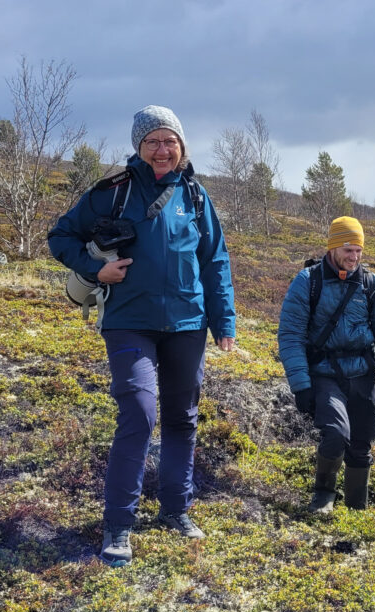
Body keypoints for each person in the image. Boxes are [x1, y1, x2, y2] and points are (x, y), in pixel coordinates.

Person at [48, 105, 236, 567]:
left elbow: (215, 260)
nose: (161, 148)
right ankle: (118, 524)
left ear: (182, 146)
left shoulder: (195, 196)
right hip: (128, 320)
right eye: (152, 140)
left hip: (188, 323)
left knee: (182, 417)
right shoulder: (113, 191)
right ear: (138, 147)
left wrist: (223, 321)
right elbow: (61, 236)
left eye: (169, 140)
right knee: (139, 412)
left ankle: (176, 509)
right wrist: (97, 269)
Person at [278, 216, 375, 513]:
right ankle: (323, 495)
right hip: (323, 375)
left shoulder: (372, 285)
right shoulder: (308, 282)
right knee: (335, 433)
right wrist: (301, 385)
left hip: (362, 374)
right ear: (333, 247)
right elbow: (291, 335)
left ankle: (356, 508)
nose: (354, 257)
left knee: (361, 442)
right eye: (348, 249)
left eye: (359, 250)